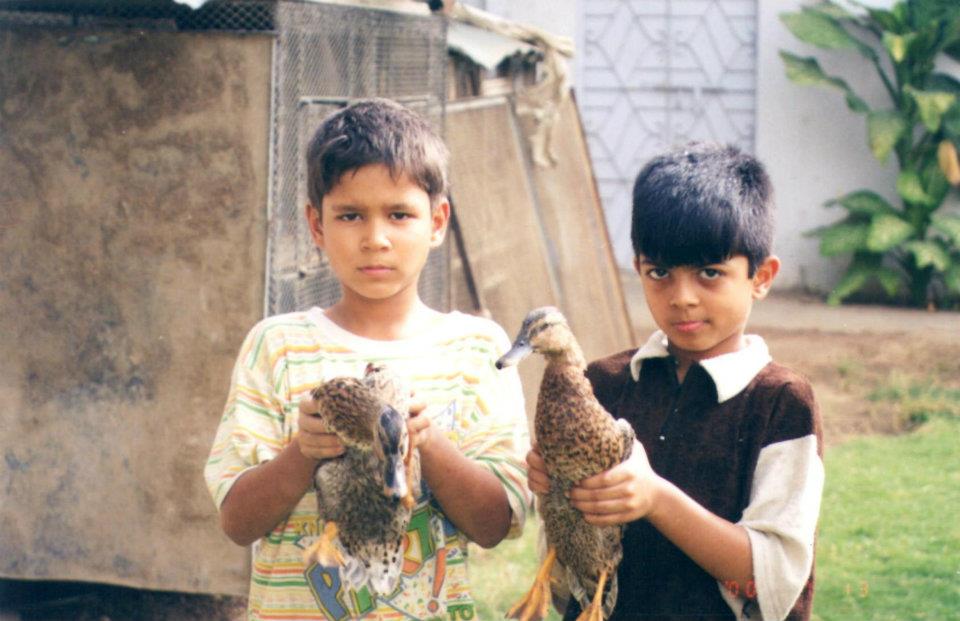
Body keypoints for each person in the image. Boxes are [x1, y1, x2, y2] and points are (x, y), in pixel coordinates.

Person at [204, 98, 532, 621]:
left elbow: (496, 525)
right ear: (317, 225)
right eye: (350, 215)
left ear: (437, 221)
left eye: (399, 215)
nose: (375, 239)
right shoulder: (277, 347)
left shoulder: (476, 351)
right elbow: (237, 522)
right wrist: (303, 452)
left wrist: (427, 442)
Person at [527, 142, 824, 621]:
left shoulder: (781, 403)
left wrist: (656, 498)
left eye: (709, 273)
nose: (682, 297)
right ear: (639, 268)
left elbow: (772, 580)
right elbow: (569, 559)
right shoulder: (601, 383)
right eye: (660, 272)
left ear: (762, 276)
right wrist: (553, 488)